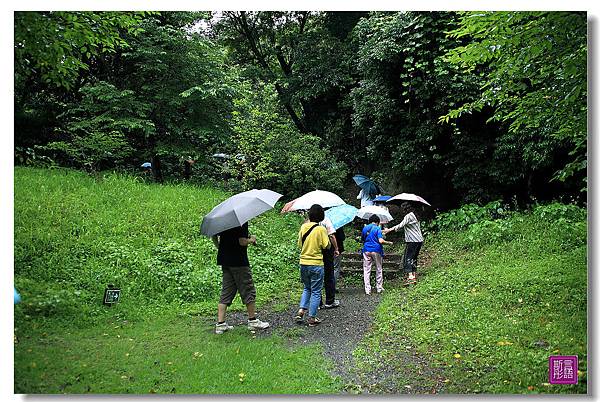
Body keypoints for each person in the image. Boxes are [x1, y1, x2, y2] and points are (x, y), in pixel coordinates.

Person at [211, 222, 270, 334]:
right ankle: (253, 321)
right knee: (248, 290)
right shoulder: (241, 221)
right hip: (239, 262)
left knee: (226, 291)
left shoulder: (223, 220)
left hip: (225, 260)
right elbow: (242, 241)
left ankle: (221, 324)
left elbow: (213, 236)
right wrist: (251, 240)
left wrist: (220, 247)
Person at [294, 204, 330, 326]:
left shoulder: (303, 227)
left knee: (306, 288)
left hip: (303, 263)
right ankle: (312, 318)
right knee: (316, 291)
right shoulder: (321, 229)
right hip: (316, 264)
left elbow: (300, 245)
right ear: (321, 216)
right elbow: (326, 246)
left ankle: (301, 311)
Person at [383, 202, 424, 286]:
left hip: (413, 240)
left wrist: (388, 230)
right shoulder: (415, 215)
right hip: (419, 240)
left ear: (404, 209)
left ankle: (411, 277)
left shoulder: (408, 216)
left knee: (408, 258)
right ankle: (414, 275)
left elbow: (400, 225)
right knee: (414, 257)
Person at [361, 215, 393, 295]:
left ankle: (367, 290)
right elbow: (381, 241)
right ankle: (379, 288)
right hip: (376, 250)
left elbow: (363, 239)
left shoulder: (365, 228)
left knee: (367, 269)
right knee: (379, 268)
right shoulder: (377, 228)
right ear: (378, 222)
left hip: (366, 250)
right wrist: (389, 243)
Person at [320, 215, 340, 309]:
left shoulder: (307, 222)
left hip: (314, 251)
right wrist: (336, 248)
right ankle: (329, 301)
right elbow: (331, 235)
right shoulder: (325, 219)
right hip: (326, 250)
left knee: (317, 277)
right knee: (329, 275)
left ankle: (318, 302)